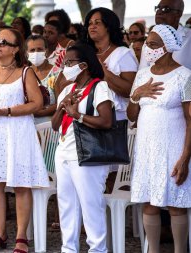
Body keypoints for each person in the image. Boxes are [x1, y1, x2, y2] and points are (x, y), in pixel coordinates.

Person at [0, 28, 49, 253]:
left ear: (16, 50)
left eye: (5, 42)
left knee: (21, 184)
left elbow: (36, 104)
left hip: (18, 131)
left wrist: (7, 111)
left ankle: (21, 236)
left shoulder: (26, 72)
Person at [127, 24, 191, 253]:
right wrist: (136, 96)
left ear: (168, 47)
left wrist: (185, 157)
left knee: (175, 204)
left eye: (153, 45)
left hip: (173, 147)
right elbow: (131, 116)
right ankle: (152, 250)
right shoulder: (142, 75)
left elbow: (190, 119)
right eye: (147, 44)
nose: (147, 49)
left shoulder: (184, 76)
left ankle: (180, 250)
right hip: (147, 148)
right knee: (149, 202)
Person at [52, 43, 114, 253]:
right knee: (66, 204)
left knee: (91, 205)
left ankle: (98, 249)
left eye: (69, 62)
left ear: (84, 65)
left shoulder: (99, 87)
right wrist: (62, 107)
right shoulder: (67, 89)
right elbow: (54, 125)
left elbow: (106, 121)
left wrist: (77, 114)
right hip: (63, 151)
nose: (65, 67)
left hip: (88, 152)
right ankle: (68, 249)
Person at [84, 7, 138, 121]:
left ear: (108, 26)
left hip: (116, 120)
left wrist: (103, 71)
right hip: (87, 116)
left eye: (97, 23)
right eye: (90, 23)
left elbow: (130, 91)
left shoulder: (123, 54)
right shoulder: (85, 53)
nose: (92, 26)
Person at [139, 0, 191, 70]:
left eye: (165, 9)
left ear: (178, 14)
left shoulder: (189, 38)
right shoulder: (149, 41)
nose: (159, 12)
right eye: (158, 8)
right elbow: (142, 71)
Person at [26, 34, 60, 122]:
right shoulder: (23, 73)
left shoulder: (57, 73)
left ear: (46, 51)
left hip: (49, 128)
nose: (36, 53)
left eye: (40, 49)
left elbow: (61, 102)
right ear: (26, 53)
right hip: (27, 125)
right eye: (32, 50)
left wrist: (39, 111)